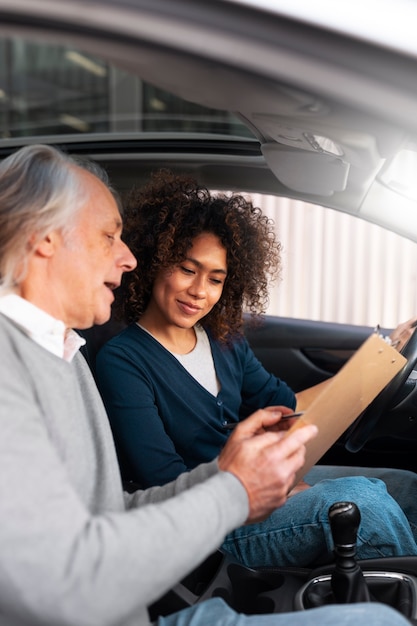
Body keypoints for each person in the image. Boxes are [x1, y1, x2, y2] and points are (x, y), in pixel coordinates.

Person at [1, 144, 409, 626]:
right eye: (109, 236)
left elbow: (114, 512)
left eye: (215, 278)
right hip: (175, 557)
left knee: (401, 489)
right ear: (46, 238)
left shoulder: (64, 353)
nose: (127, 257)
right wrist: (237, 489)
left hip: (149, 577)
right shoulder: (85, 361)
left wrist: (234, 476)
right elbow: (68, 577)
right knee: (368, 521)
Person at [95, 170, 417, 571]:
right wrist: (265, 488)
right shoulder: (122, 362)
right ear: (155, 263)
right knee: (364, 502)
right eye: (187, 269)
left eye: (216, 279)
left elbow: (288, 405)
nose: (200, 291)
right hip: (212, 524)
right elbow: (164, 484)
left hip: (256, 485)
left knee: (405, 486)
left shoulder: (223, 339)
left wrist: (379, 363)